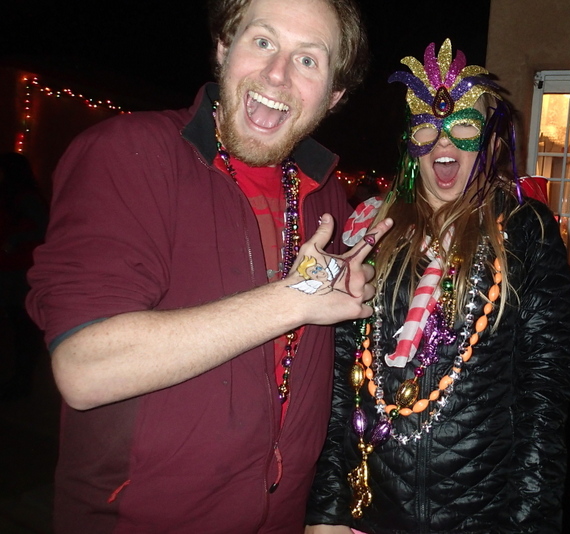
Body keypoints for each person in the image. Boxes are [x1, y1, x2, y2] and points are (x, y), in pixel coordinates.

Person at [24, 0, 392, 532]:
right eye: (262, 41)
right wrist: (294, 299)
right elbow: (85, 369)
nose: (277, 73)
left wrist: (325, 511)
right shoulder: (129, 153)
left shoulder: (325, 193)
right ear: (223, 48)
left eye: (308, 59)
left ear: (333, 95)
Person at [305, 39, 570, 534]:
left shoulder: (525, 230)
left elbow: (545, 400)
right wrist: (326, 511)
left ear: (491, 142)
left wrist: (530, 524)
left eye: (465, 126)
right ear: (411, 145)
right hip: (369, 512)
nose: (443, 142)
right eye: (427, 128)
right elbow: (338, 383)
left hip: (483, 517)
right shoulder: (373, 230)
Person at [0, 152, 48, 401]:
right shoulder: (11, 196)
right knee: (17, 326)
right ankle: (18, 380)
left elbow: (44, 228)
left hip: (22, 271)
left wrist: (14, 241)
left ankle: (22, 381)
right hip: (11, 269)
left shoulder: (26, 198)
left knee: (24, 327)